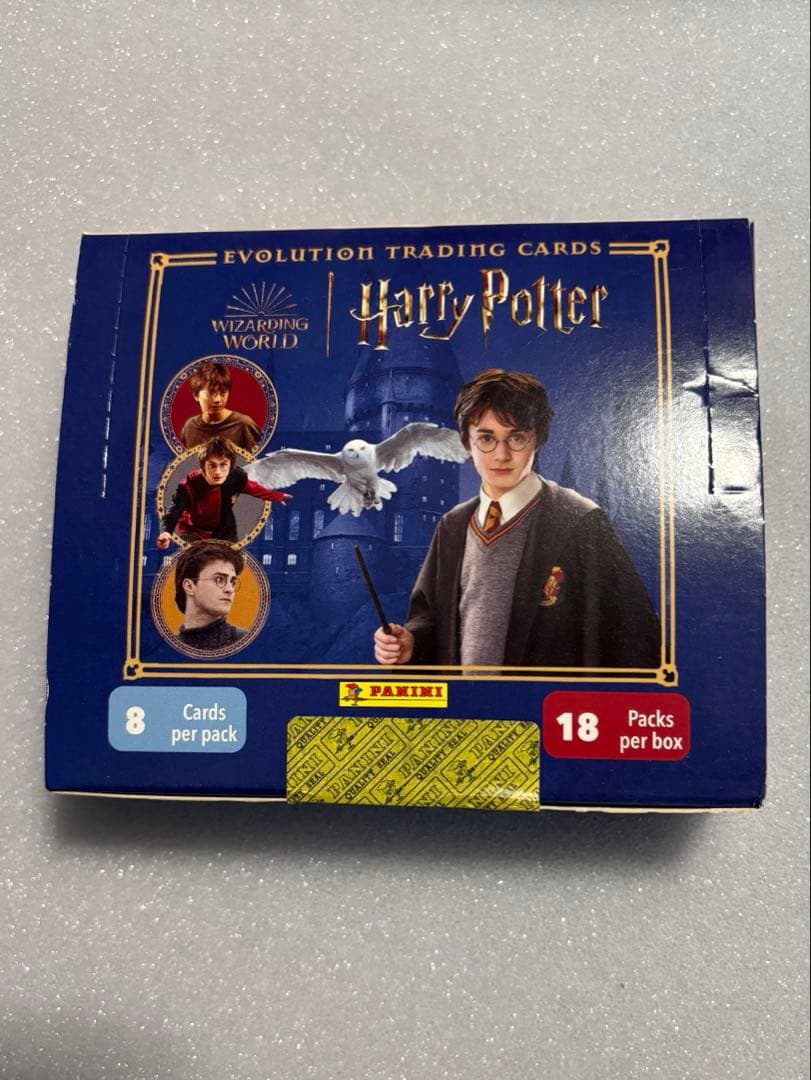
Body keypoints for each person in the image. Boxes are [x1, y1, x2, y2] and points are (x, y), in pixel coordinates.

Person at [373, 368, 660, 670]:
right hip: (467, 699)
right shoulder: (453, 525)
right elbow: (429, 619)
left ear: (538, 441)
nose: (501, 454)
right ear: (467, 443)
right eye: (486, 438)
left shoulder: (580, 521)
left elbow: (633, 640)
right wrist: (410, 644)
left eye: (517, 437)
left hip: (543, 699)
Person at [157, 436, 291, 547]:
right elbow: (174, 510)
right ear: (203, 466)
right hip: (194, 531)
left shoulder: (236, 477)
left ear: (230, 465)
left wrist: (276, 496)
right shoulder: (189, 484)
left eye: (223, 465)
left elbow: (253, 488)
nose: (218, 472)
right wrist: (166, 532)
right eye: (212, 465)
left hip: (223, 530)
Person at [173, 541, 247, 650]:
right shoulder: (164, 650)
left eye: (232, 582)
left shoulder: (246, 642)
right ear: (189, 586)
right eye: (219, 579)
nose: (230, 589)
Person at [179, 360, 262, 451]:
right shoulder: (190, 427)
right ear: (196, 396)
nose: (217, 400)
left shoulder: (244, 424)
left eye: (223, 393)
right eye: (210, 393)